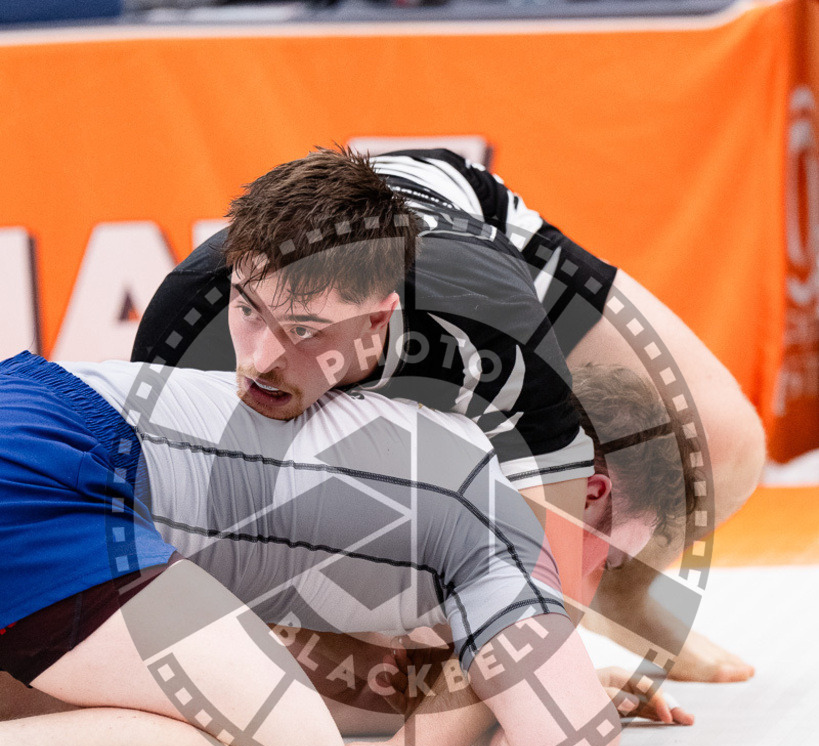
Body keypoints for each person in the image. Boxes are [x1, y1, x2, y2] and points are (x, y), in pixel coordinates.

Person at [132, 147, 765, 683]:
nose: (261, 362)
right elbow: (162, 548)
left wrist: (528, 669)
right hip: (371, 271)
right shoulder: (188, 318)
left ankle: (623, 593)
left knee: (718, 439)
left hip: (468, 225)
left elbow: (555, 524)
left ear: (377, 319)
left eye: (303, 330)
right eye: (250, 314)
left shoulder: (487, 317)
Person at [0, 352, 691, 746]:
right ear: (590, 494)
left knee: (116, 696)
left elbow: (322, 677)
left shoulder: (414, 456)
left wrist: (508, 686)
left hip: (41, 421)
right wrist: (540, 690)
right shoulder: (495, 509)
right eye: (607, 565)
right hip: (53, 466)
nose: (575, 595)